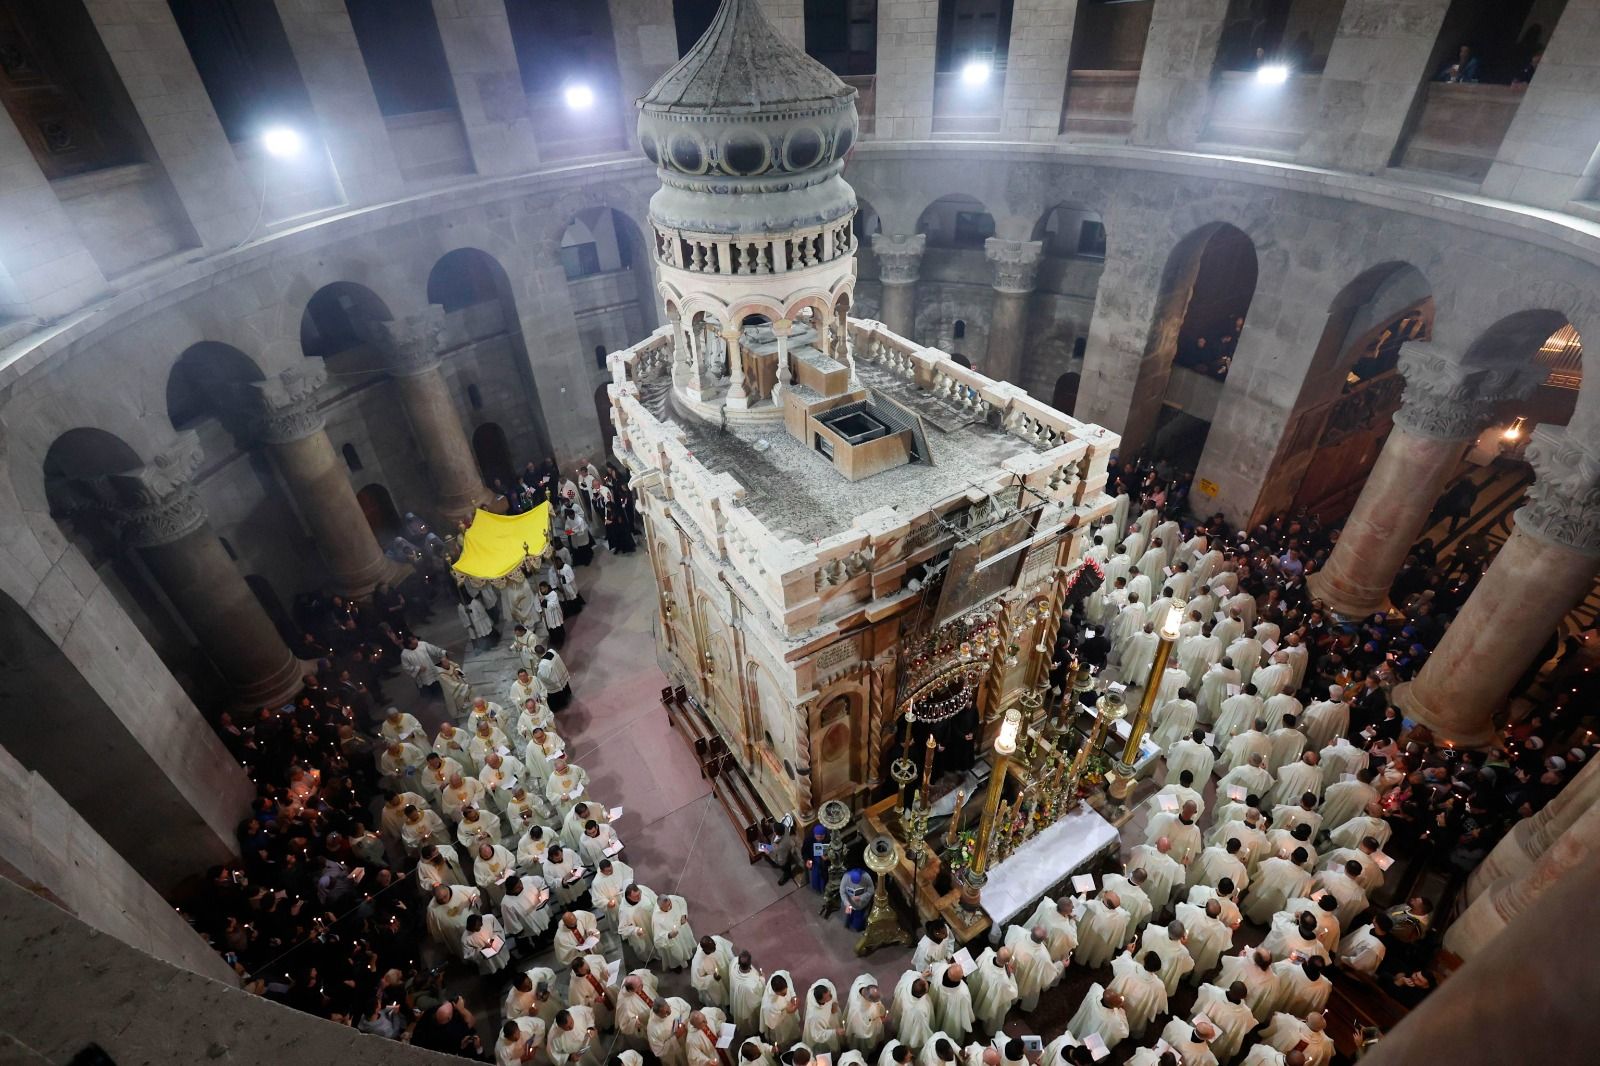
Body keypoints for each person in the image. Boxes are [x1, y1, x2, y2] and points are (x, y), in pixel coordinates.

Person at [1004, 926, 1061, 1011]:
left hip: (1010, 968)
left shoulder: (1019, 932)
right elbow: (1049, 975)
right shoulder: (1044, 956)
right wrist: (1061, 964)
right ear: (1045, 939)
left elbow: (1010, 931)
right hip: (1025, 978)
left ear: (1031, 930)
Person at [965, 947, 1018, 1035]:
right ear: (1007, 962)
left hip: (979, 987)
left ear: (996, 953)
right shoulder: (1004, 980)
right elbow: (1013, 992)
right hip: (990, 1000)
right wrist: (1011, 975)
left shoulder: (987, 953)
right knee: (997, 1011)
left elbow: (977, 962)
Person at [1066, 985, 1129, 1053]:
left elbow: (1096, 986)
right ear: (1114, 1006)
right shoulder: (1114, 1020)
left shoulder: (1095, 995)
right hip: (1097, 1034)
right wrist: (1121, 1012)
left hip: (1087, 1023)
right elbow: (1124, 1033)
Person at [889, 972, 934, 1050]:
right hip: (912, 1022)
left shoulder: (908, 982)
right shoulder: (921, 1009)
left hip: (903, 1012)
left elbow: (908, 974)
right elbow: (922, 1029)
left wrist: (922, 976)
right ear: (922, 994)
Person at [691, 934, 736, 1009]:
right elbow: (698, 980)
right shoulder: (698, 962)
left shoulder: (717, 940)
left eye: (714, 944)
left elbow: (728, 951)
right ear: (704, 949)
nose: (715, 947)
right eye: (712, 948)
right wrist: (713, 978)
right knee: (722, 996)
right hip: (716, 983)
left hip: (726, 972)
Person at [654, 894, 696, 970]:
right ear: (660, 907)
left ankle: (688, 956)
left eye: (670, 904)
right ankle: (676, 966)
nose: (670, 907)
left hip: (682, 929)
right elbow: (658, 938)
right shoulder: (657, 918)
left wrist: (684, 915)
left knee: (686, 945)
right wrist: (669, 935)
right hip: (673, 939)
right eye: (667, 907)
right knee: (676, 955)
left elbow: (682, 901)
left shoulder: (673, 899)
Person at [845, 975, 886, 1053]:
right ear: (867, 999)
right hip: (863, 1035)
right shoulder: (857, 1009)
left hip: (871, 1019)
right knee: (863, 1045)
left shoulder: (867, 983)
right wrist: (877, 1020)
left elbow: (868, 977)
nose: (876, 1002)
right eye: (874, 1001)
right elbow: (860, 1031)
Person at [762, 972, 802, 1047]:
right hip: (780, 1025)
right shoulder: (769, 1005)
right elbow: (772, 1023)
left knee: (792, 1030)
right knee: (784, 1038)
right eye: (782, 994)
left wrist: (793, 996)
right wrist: (786, 1011)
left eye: (786, 991)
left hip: (789, 1017)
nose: (786, 994)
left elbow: (789, 982)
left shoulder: (781, 975)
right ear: (775, 991)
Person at [804, 980, 845, 1054]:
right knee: (826, 1048)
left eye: (829, 995)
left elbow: (831, 988)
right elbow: (818, 1035)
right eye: (827, 999)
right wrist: (834, 1032)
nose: (830, 998)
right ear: (821, 1001)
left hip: (830, 1017)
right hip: (821, 1028)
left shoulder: (825, 984)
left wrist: (834, 1002)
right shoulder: (814, 1017)